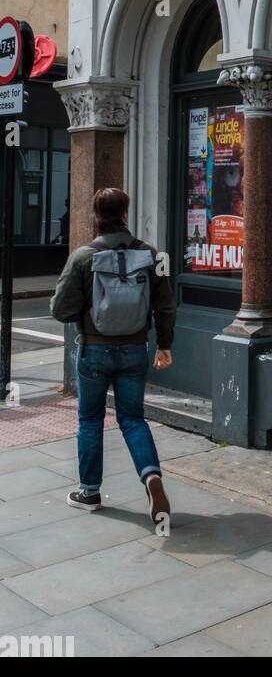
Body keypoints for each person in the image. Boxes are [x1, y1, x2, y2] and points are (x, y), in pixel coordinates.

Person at [50, 188, 176, 524]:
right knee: (133, 419)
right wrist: (164, 345)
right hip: (135, 348)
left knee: (90, 419)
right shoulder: (150, 254)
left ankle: (89, 492)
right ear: (125, 213)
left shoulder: (82, 257)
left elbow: (59, 309)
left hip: (94, 348)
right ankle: (151, 476)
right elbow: (165, 305)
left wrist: (87, 307)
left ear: (95, 214)